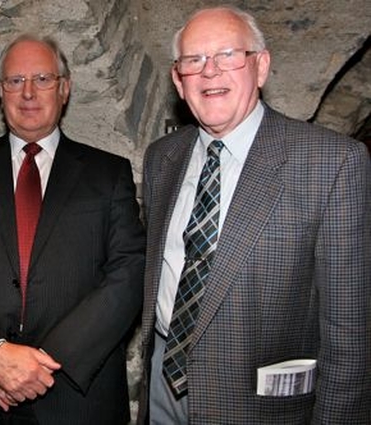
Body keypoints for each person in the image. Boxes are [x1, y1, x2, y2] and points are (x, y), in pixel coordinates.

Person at [138, 5, 371, 424]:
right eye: (194, 60)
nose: (210, 72)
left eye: (228, 55)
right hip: (162, 390)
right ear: (178, 79)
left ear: (260, 66)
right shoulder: (162, 159)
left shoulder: (332, 163)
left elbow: (350, 334)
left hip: (258, 406)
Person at [0, 33, 145, 424]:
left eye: (42, 79)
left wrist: (39, 365)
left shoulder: (108, 174)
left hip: (77, 397)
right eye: (14, 81)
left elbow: (129, 274)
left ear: (65, 89)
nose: (27, 93)